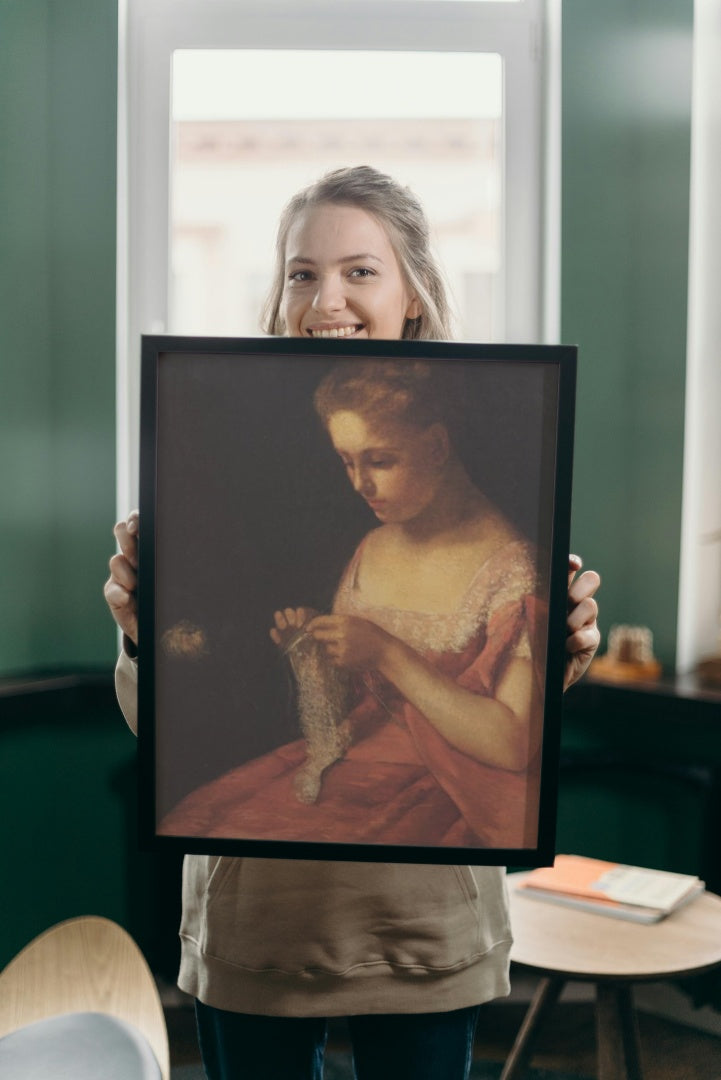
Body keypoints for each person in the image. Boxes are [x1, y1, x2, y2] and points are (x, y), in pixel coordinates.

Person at [105, 166, 601, 1080]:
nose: (324, 297)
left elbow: (506, 739)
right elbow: (186, 724)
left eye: (359, 271)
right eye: (301, 272)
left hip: (417, 918)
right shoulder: (346, 530)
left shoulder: (511, 541)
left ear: (412, 290)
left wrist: (564, 654)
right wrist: (155, 637)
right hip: (261, 915)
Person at [156, 359, 546, 851]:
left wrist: (386, 653)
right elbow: (352, 703)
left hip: (451, 791)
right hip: (358, 765)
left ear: (437, 447)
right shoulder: (374, 546)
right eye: (347, 461)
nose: (360, 484)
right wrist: (315, 651)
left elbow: (511, 744)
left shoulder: (515, 570)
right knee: (199, 823)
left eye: (380, 461)